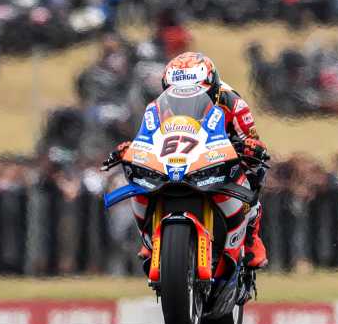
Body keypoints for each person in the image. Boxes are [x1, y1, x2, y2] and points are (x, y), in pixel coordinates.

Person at [107, 51, 270, 268]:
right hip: (176, 157)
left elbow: (252, 140)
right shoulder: (156, 107)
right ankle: (148, 236)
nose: (186, 100)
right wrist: (131, 149)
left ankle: (251, 238)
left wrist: (250, 147)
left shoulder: (233, 103)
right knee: (140, 180)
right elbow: (146, 137)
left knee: (254, 171)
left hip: (222, 154)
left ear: (212, 87)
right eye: (177, 94)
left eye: (195, 93)